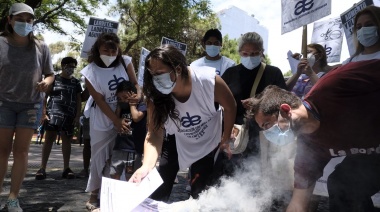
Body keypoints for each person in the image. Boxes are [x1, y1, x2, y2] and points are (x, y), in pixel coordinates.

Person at [250, 13, 380, 209]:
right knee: (343, 185)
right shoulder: (308, 150)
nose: (268, 134)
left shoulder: (335, 83)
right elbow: (298, 203)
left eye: (267, 125)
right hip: (369, 157)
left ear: (285, 111)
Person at [130, 44, 236, 199]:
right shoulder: (155, 95)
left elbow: (230, 105)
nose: (156, 79)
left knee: (201, 194)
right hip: (175, 139)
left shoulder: (208, 80)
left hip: (208, 142)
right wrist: (146, 166)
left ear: (178, 69)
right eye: (152, 74)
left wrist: (225, 138)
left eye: (160, 73)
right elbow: (154, 134)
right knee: (157, 188)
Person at [0, 3, 54, 211]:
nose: (24, 23)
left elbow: (50, 74)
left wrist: (47, 82)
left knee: (21, 152)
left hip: (30, 105)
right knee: (2, 151)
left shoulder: (42, 47)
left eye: (28, 20)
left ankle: (13, 198)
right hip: (3, 104)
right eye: (20, 19)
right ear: (9, 20)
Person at [80, 32, 140, 210]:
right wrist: (115, 120)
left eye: (113, 50)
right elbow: (99, 99)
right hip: (102, 119)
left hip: (124, 115)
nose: (110, 53)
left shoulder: (125, 62)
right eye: (105, 49)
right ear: (98, 49)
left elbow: (136, 84)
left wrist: (137, 98)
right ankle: (94, 194)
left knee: (120, 156)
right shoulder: (89, 71)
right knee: (99, 158)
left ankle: (113, 195)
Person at [221, 32, 287, 172]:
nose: (250, 57)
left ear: (262, 53)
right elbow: (219, 104)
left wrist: (260, 103)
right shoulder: (230, 73)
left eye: (254, 53)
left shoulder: (273, 73)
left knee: (259, 176)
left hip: (263, 136)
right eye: (245, 53)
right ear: (239, 53)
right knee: (229, 174)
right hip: (235, 134)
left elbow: (284, 101)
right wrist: (225, 131)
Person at [35, 57, 82, 180]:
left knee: (67, 139)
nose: (71, 68)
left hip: (69, 115)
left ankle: (66, 168)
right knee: (49, 138)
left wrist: (77, 116)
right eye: (69, 65)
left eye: (73, 66)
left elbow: (78, 100)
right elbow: (44, 96)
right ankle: (42, 168)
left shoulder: (76, 82)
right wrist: (43, 112)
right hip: (53, 113)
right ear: (62, 66)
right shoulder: (54, 79)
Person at [110, 80, 146, 180]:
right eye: (119, 98)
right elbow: (115, 123)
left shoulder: (141, 106)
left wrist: (132, 105)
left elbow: (136, 117)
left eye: (126, 97)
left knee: (130, 176)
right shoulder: (121, 108)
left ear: (134, 95)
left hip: (133, 149)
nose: (123, 101)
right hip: (119, 147)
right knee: (114, 173)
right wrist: (119, 107)